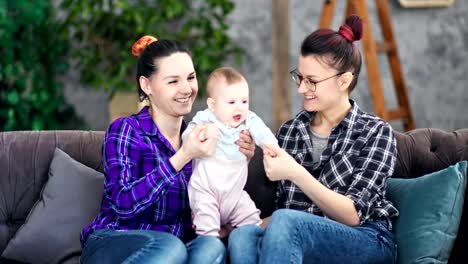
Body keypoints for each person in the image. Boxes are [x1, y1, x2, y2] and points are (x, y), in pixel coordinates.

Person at [228, 15, 398, 264]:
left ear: (344, 81)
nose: (301, 88)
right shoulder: (290, 131)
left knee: (286, 221)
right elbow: (286, 216)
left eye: (312, 81)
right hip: (304, 235)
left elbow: (353, 215)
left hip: (367, 238)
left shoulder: (376, 132)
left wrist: (296, 173)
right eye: (299, 77)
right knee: (242, 237)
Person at [79, 35, 256, 264]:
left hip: (173, 251)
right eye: (173, 81)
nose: (187, 89)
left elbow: (211, 202)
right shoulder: (126, 131)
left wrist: (239, 160)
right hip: (114, 242)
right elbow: (123, 204)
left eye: (190, 78)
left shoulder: (201, 139)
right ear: (146, 85)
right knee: (169, 245)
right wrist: (183, 156)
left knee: (211, 247)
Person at [182, 67, 278, 237]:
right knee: (207, 227)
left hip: (234, 194)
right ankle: (210, 243)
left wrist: (272, 147)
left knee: (251, 219)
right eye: (231, 102)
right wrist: (203, 133)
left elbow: (264, 133)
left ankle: (251, 242)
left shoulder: (249, 119)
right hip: (206, 191)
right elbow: (187, 137)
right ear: (213, 105)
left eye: (244, 101)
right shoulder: (205, 119)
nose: (239, 108)